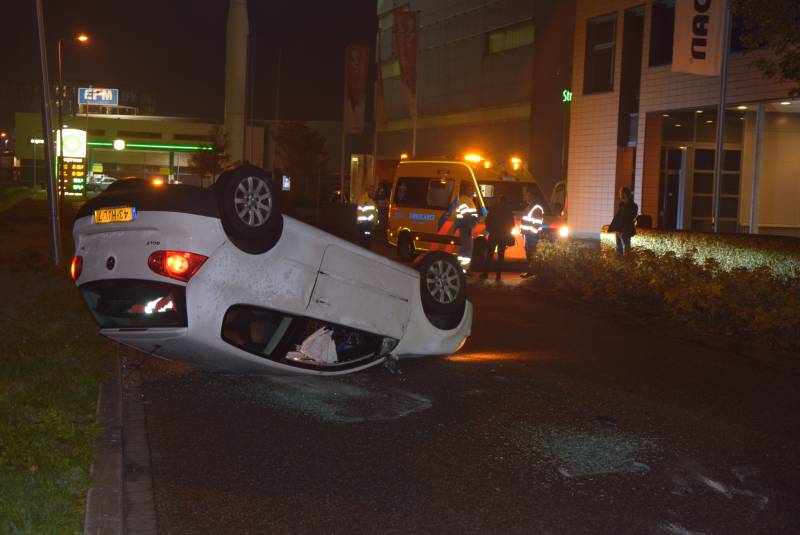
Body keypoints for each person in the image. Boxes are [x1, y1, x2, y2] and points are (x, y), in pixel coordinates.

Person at [481, 193, 514, 281]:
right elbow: (512, 224)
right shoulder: (508, 210)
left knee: (489, 254)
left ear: (499, 200)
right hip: (503, 236)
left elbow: (487, 221)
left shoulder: (494, 208)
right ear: (506, 201)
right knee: (500, 255)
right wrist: (506, 231)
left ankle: (485, 273)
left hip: (494, 235)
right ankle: (498, 275)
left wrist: (491, 230)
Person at [608, 186, 638, 256]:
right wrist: (616, 229)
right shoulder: (622, 205)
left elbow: (629, 219)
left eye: (621, 193)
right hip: (619, 229)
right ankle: (620, 261)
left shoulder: (632, 206)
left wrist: (623, 231)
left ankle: (626, 261)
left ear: (625, 194)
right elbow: (618, 218)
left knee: (626, 247)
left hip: (626, 230)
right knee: (619, 248)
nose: (620, 194)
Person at [455, 183, 479, 269]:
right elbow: (466, 215)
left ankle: (463, 269)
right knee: (466, 249)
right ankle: (462, 269)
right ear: (466, 190)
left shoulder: (468, 200)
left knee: (467, 249)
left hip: (467, 227)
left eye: (473, 190)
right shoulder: (464, 200)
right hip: (465, 227)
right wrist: (476, 220)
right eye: (470, 189)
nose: (472, 191)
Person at [520, 190, 543, 278]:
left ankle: (532, 273)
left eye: (529, 196)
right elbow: (525, 221)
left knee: (532, 254)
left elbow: (537, 223)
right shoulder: (530, 207)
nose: (527, 198)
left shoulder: (536, 208)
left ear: (533, 197)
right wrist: (523, 232)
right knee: (529, 254)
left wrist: (530, 233)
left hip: (532, 236)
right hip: (528, 235)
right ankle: (531, 272)